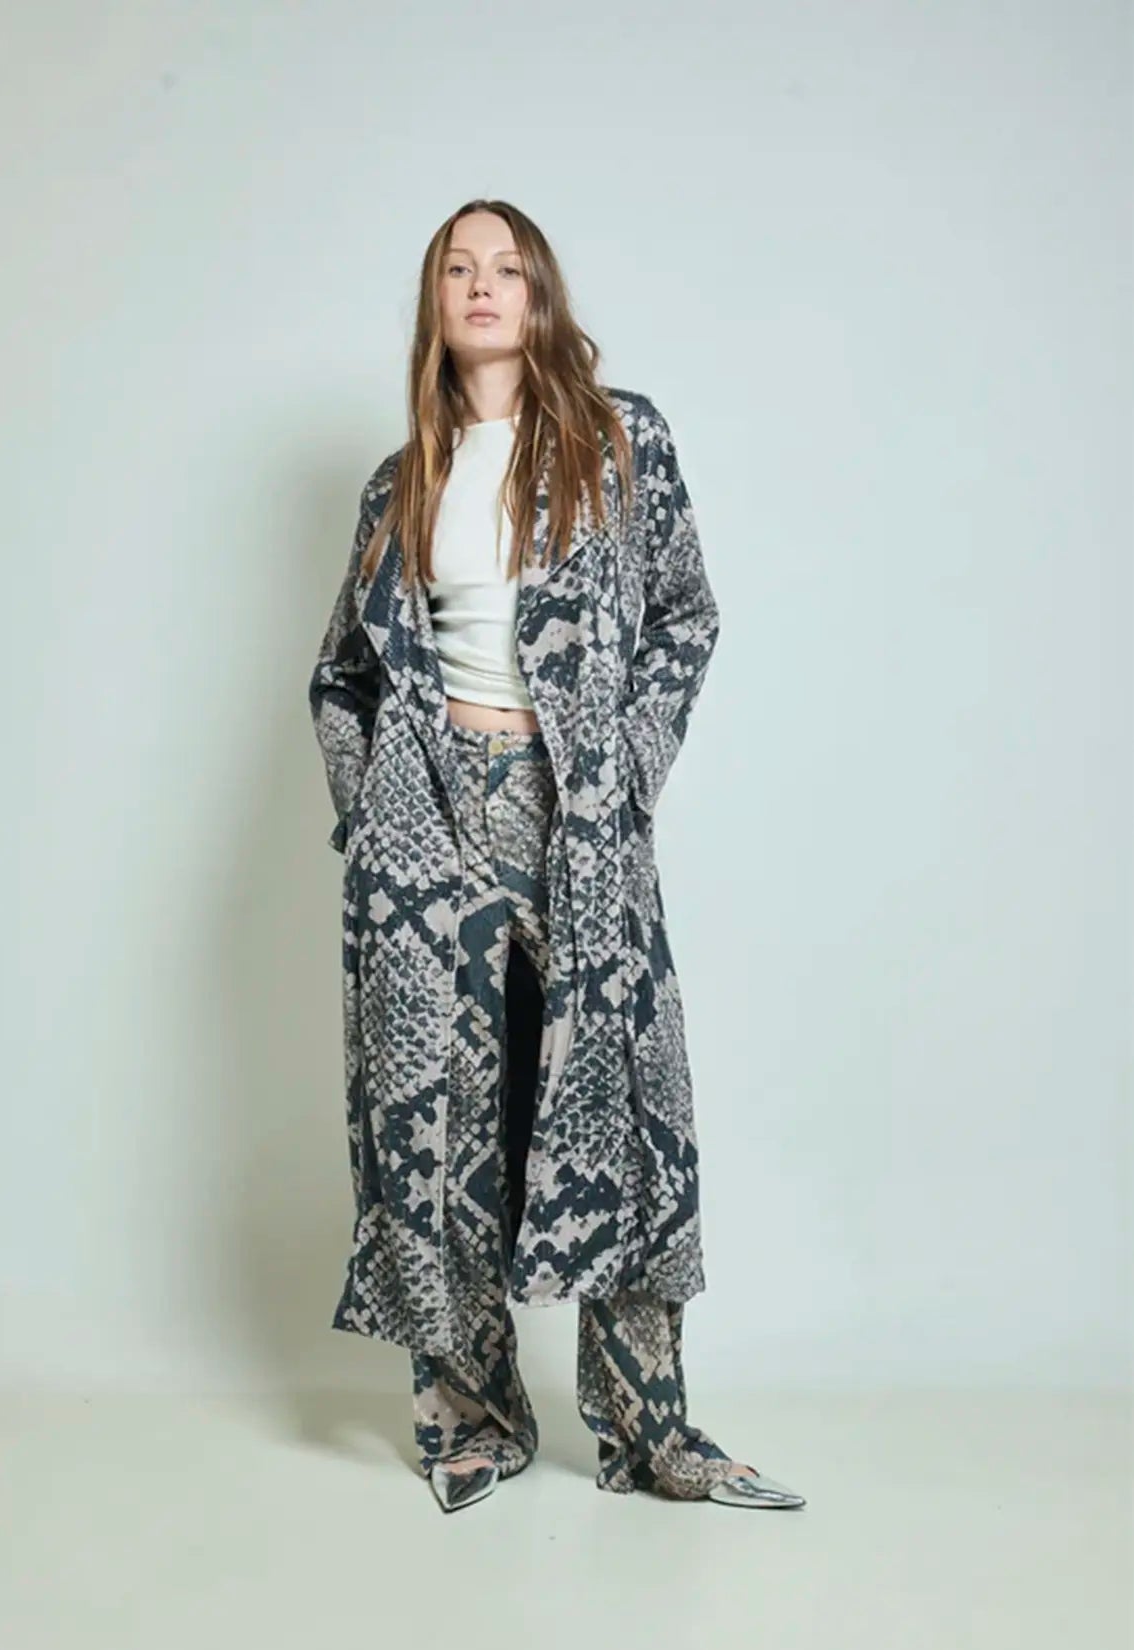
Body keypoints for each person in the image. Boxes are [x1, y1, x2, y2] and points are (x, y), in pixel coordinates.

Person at [309, 198, 806, 1515]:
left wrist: (624, 769)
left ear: (539, 295)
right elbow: (344, 673)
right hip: (427, 814)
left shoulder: (616, 440)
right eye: (457, 268)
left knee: (619, 1108)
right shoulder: (398, 482)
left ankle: (653, 1433)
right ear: (435, 301)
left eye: (507, 267)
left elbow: (687, 615)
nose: (482, 285)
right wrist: (375, 810)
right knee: (434, 1115)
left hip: (571, 805)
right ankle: (472, 1417)